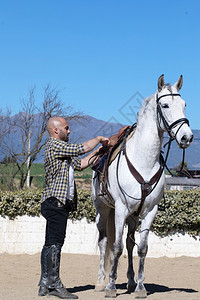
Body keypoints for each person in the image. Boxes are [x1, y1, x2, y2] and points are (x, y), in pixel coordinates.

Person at [38, 116, 109, 299]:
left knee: (50, 243)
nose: (69, 131)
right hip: (56, 202)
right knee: (56, 243)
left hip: (54, 202)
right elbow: (81, 149)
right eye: (66, 128)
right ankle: (54, 284)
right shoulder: (54, 145)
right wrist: (99, 139)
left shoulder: (62, 153)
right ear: (56, 130)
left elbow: (82, 163)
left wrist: (100, 151)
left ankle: (45, 283)